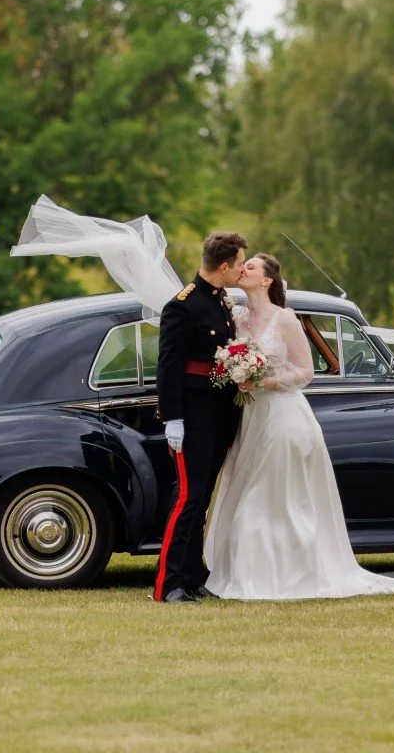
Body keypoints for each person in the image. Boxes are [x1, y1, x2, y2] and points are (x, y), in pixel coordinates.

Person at [202, 254, 394, 600]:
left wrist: (263, 382)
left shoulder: (286, 319)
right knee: (248, 489)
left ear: (266, 281)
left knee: (277, 496)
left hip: (283, 417)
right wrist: (237, 372)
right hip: (250, 418)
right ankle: (247, 573)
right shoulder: (237, 316)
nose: (242, 268)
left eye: (251, 267)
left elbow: (305, 372)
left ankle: (284, 574)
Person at [151, 232, 248, 604]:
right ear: (224, 266)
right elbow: (169, 367)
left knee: (202, 497)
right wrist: (172, 418)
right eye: (240, 262)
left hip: (219, 415)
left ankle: (192, 575)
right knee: (187, 499)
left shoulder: (219, 301)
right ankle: (168, 584)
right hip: (191, 418)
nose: (241, 268)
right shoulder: (183, 305)